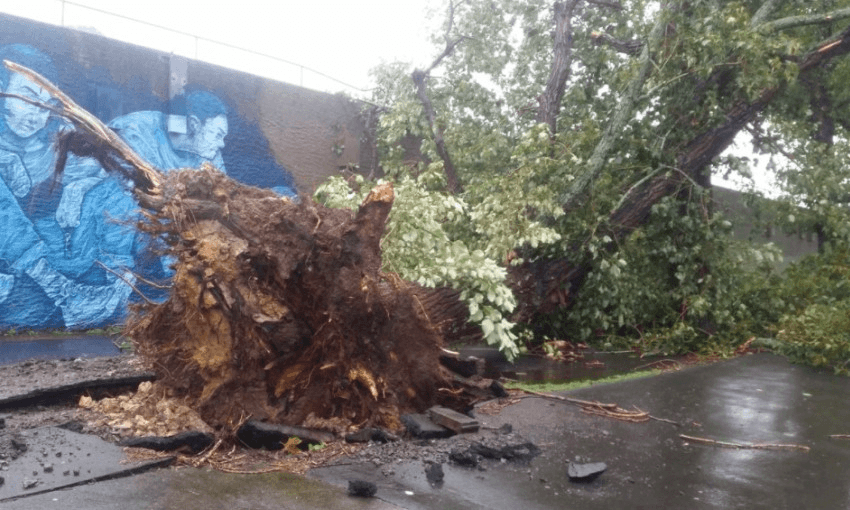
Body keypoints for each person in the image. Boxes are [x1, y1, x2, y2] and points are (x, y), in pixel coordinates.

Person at [0, 44, 132, 329]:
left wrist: (79, 187)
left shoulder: (54, 135)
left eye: (45, 104)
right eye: (27, 97)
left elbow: (113, 167)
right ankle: (63, 292)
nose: (36, 114)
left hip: (56, 242)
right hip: (24, 259)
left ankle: (122, 284)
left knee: (118, 192)